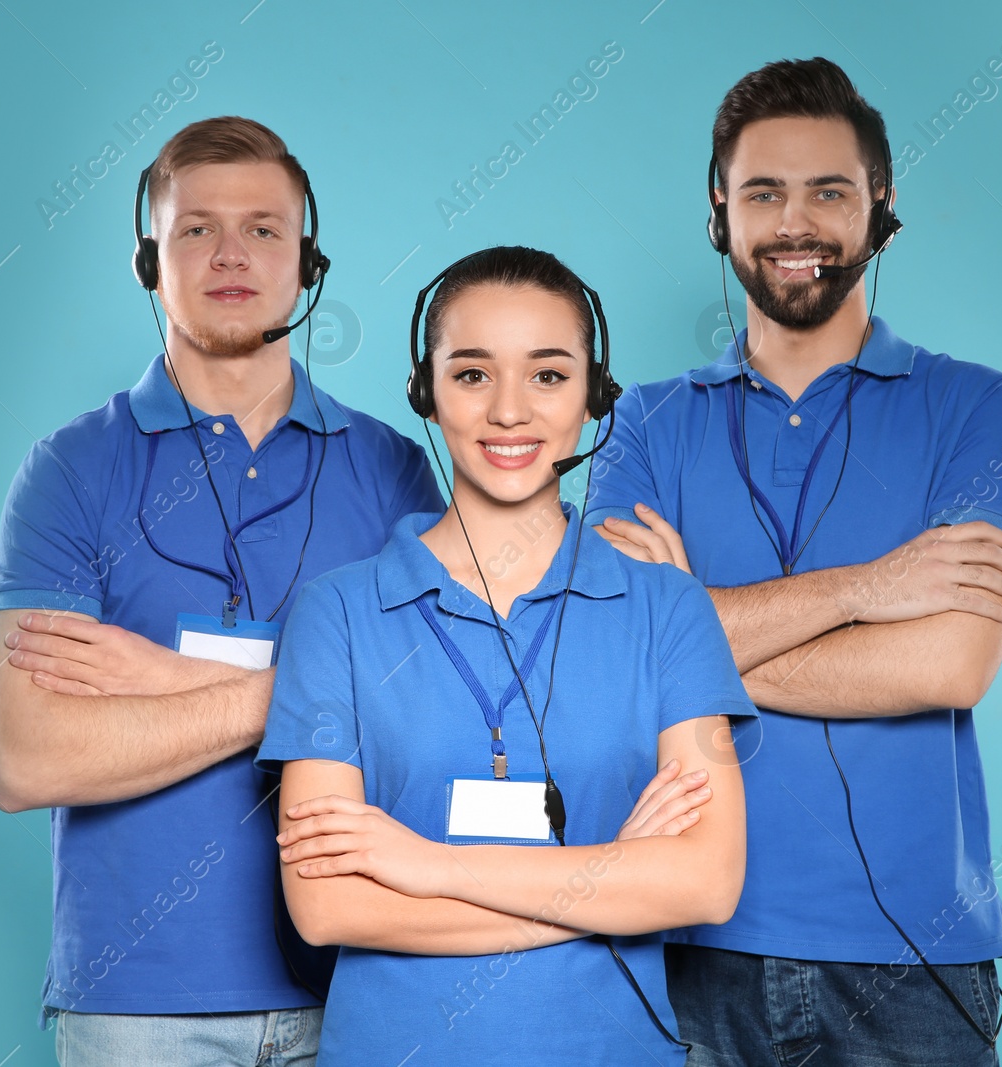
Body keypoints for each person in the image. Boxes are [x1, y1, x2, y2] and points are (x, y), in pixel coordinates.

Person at [588, 59, 1002, 1066]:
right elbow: (611, 648)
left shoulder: (973, 406)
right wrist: (870, 589)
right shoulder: (645, 421)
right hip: (685, 939)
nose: (795, 221)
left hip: (913, 962)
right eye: (763, 192)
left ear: (879, 209)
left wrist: (689, 629)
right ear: (719, 213)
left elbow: (949, 664)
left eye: (828, 190)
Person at [0, 115, 444, 1066]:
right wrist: (305, 689)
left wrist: (160, 678)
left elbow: (431, 705)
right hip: (137, 1002)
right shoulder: (70, 469)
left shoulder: (392, 468)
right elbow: (25, 755)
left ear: (307, 263)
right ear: (150, 260)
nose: (232, 254)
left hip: (362, 978)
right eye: (196, 229)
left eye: (265, 229)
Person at [255, 246, 757, 1065]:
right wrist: (615, 882)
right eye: (473, 374)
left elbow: (705, 883)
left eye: (550, 375)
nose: (511, 411)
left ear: (594, 397)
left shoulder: (669, 607)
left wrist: (420, 863)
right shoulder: (336, 613)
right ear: (427, 390)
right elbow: (326, 905)